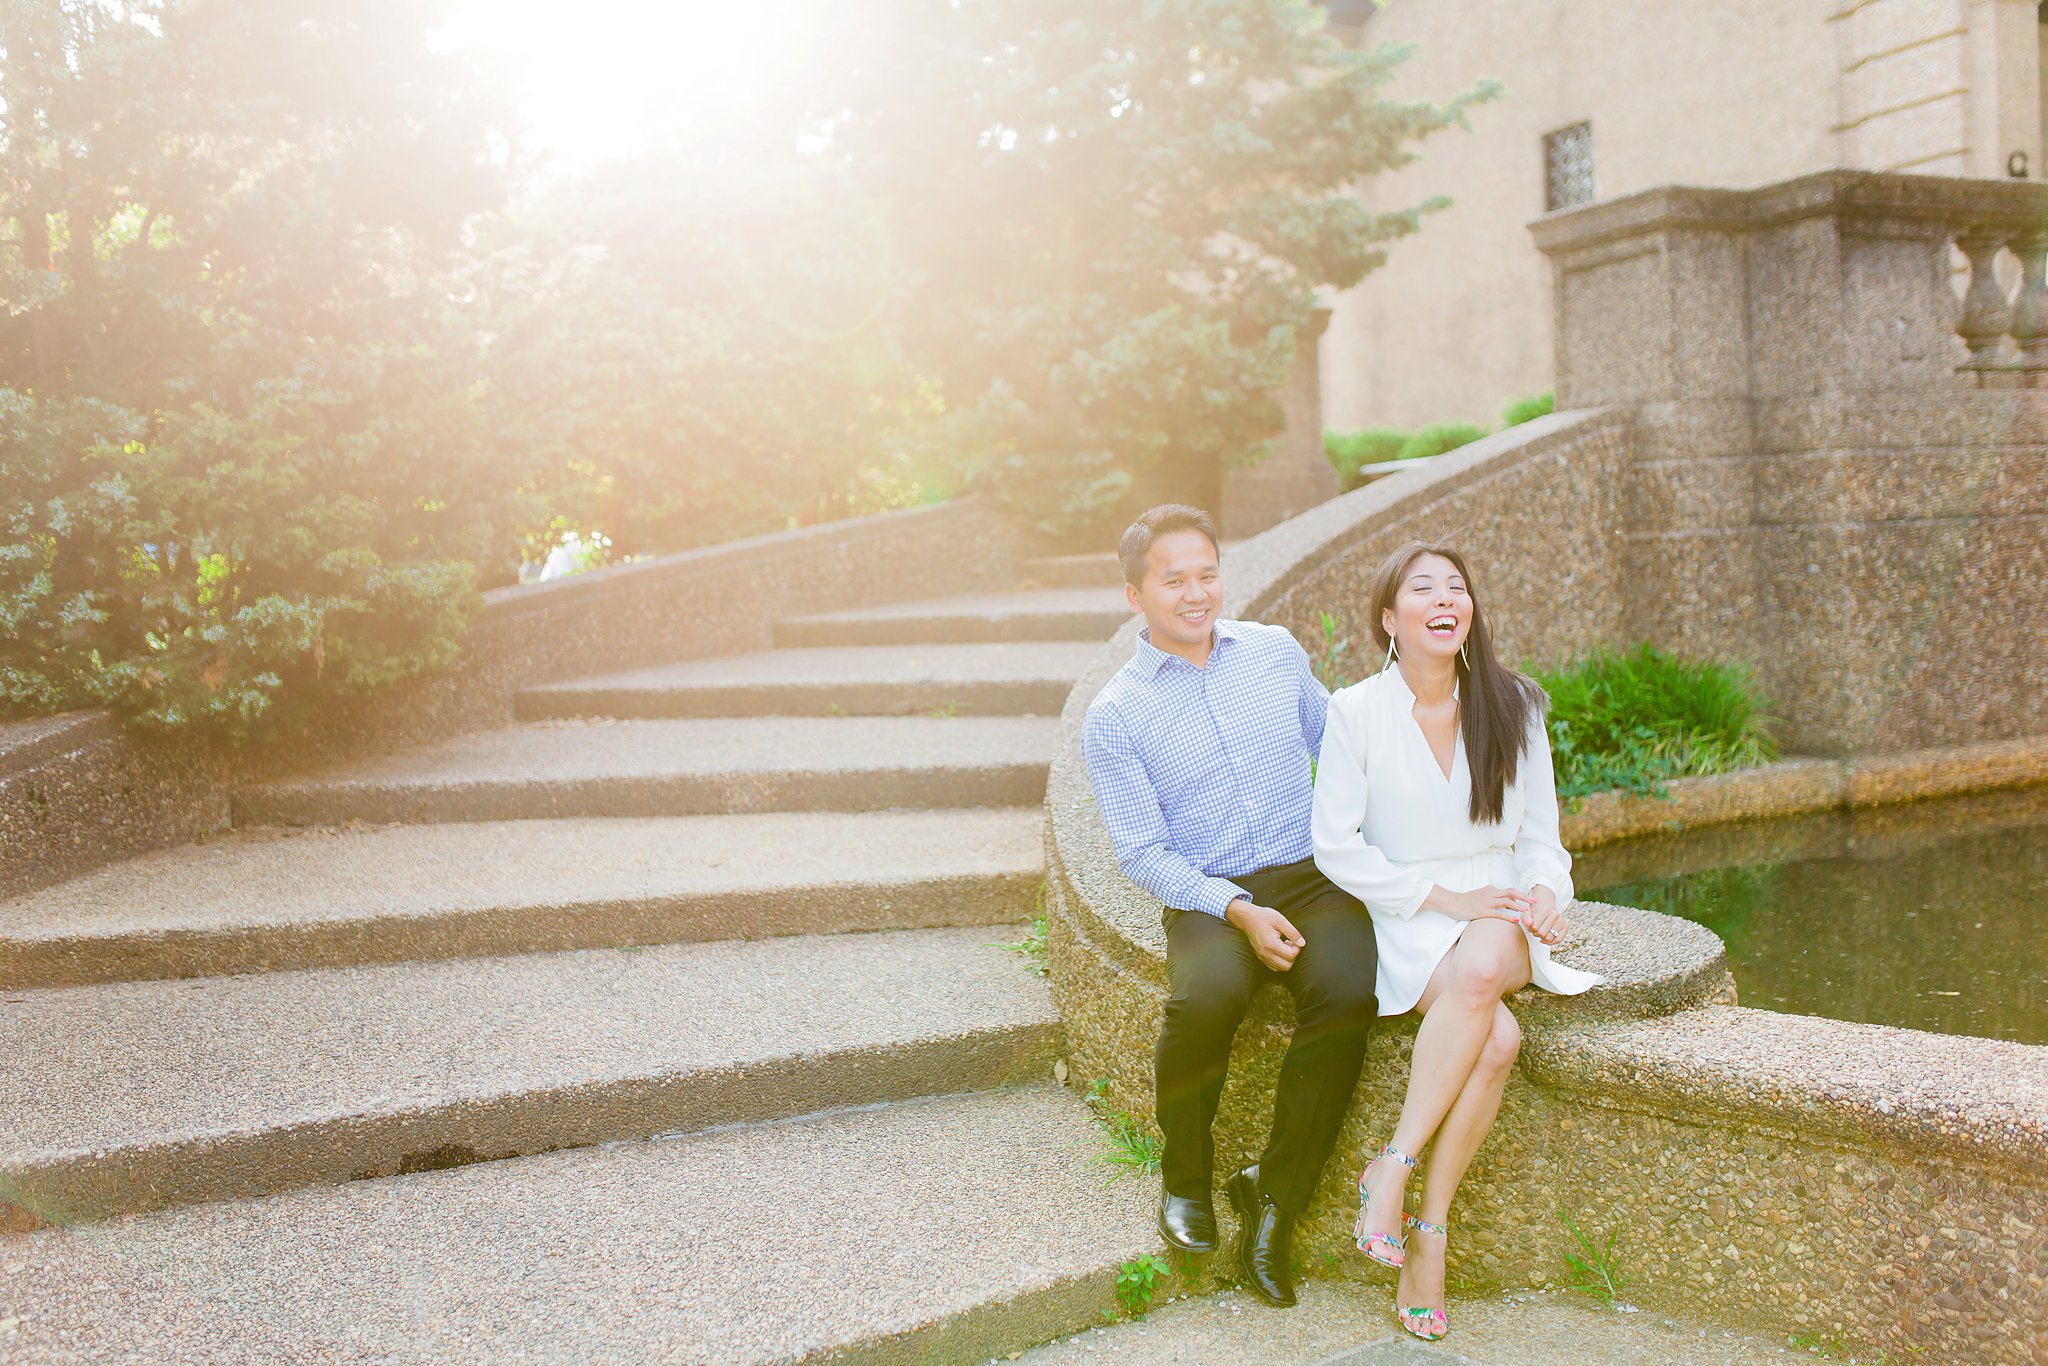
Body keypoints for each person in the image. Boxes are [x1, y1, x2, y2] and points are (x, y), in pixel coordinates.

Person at [1081, 503, 1381, 1310]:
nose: (1195, 593)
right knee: (1207, 996)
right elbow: (1142, 852)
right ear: (1135, 595)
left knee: (1350, 992)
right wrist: (1238, 909)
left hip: (1313, 877)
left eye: (1207, 574)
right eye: (1172, 579)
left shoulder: (1275, 654)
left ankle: (1275, 1198)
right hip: (1209, 895)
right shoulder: (1115, 716)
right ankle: (1186, 1178)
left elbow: (1338, 748)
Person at [1311, 541, 1602, 1343]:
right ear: (1389, 619)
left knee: (1482, 961)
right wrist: (1445, 897)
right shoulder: (1354, 712)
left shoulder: (1515, 703)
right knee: (1497, 1039)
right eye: (1423, 589)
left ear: (1468, 611)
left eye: (1457, 587)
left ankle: (1391, 1169)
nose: (1446, 599)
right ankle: (1428, 1234)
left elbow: (1544, 841)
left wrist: (1544, 897)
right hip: (1407, 913)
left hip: (1499, 912)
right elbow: (1335, 844)